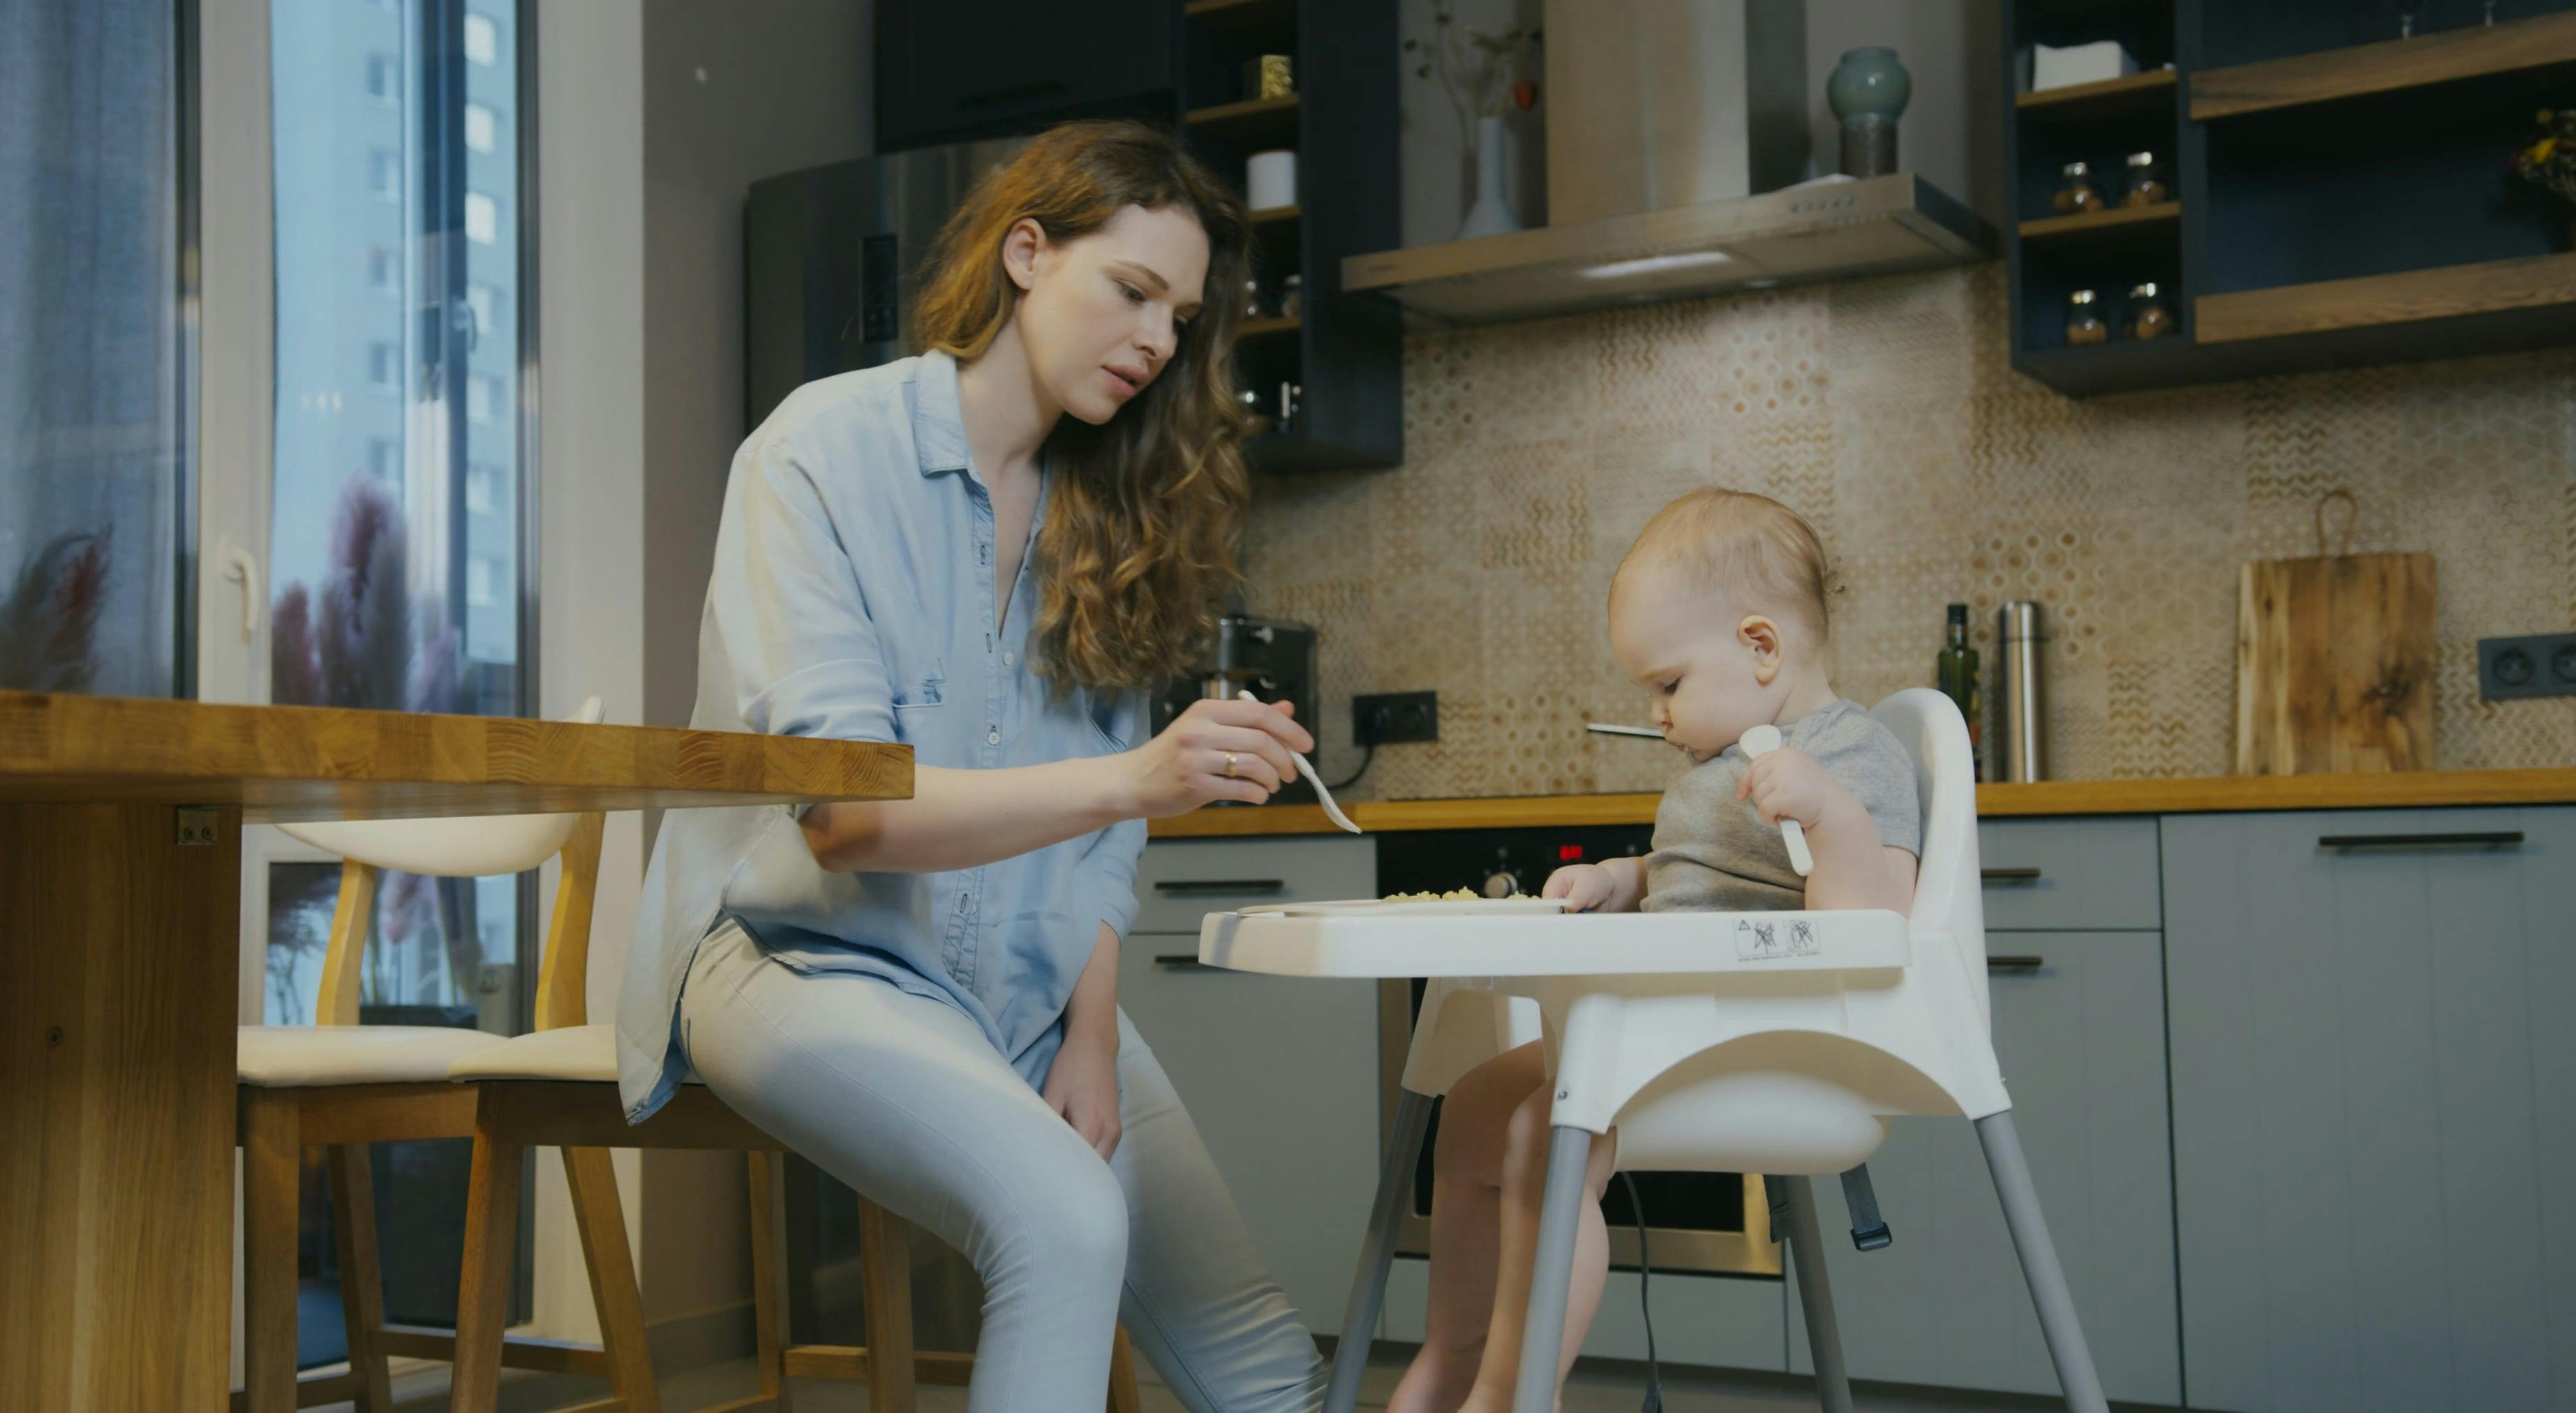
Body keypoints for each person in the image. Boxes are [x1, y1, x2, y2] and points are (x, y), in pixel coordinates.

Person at [616, 121, 1328, 1412]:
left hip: (1036, 985)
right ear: (1025, 252)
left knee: (1269, 1366)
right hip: (804, 956)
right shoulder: (816, 453)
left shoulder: (1116, 512)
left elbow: (1104, 846)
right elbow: (844, 818)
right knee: (1064, 1219)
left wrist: (1094, 1035)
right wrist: (1140, 779)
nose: (1159, 342)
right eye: (1131, 292)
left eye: (1180, 315)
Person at [1390, 488, 1923, 1413]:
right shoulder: (1718, 769)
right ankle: (1451, 1358)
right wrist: (1620, 878)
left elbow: (1877, 923)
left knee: (1541, 1134)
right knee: (1474, 1104)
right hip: (1668, 1023)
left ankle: (1514, 1391)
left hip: (1774, 1036)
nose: (1657, 711)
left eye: (1668, 683)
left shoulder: (1852, 753)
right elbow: (1696, 872)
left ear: (1762, 648)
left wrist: (1830, 811)